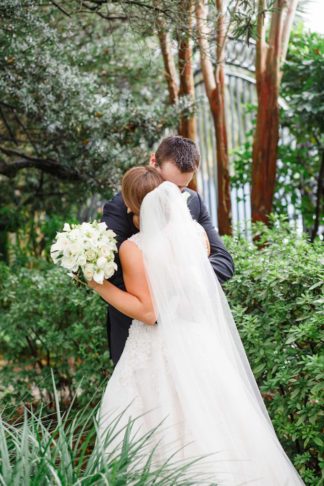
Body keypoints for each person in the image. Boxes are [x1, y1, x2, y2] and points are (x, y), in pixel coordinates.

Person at [89, 167, 305, 485]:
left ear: (129, 201)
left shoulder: (132, 249)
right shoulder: (196, 235)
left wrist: (99, 287)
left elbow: (148, 312)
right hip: (197, 338)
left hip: (156, 344)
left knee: (159, 427)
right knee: (213, 418)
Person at [101, 135, 234, 366]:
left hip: (188, 328)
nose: (173, 195)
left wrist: (178, 284)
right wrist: (155, 301)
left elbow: (223, 262)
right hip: (138, 333)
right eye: (167, 185)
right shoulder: (120, 208)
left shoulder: (193, 202)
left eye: (182, 187)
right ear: (154, 162)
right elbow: (113, 273)